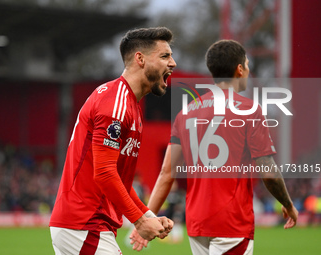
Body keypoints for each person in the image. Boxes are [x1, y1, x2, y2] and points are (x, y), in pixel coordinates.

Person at [130, 40, 298, 254]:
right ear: (239, 69)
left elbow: (166, 173)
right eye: (246, 65)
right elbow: (269, 172)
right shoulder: (249, 110)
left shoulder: (186, 113)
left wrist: (147, 218)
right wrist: (288, 204)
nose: (247, 69)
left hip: (198, 223)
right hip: (231, 223)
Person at [49, 27, 177, 255]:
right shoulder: (116, 102)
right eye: (165, 56)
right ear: (140, 59)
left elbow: (120, 181)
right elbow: (105, 172)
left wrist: (148, 216)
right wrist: (139, 221)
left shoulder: (131, 106)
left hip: (87, 225)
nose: (173, 63)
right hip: (84, 222)